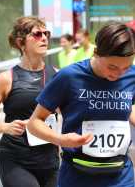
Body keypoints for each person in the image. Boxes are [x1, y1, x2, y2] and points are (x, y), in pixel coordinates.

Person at [27, 22, 135, 187]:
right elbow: (34, 122)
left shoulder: (132, 77)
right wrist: (61, 139)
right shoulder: (69, 77)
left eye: (126, 67)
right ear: (96, 52)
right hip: (77, 176)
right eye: (112, 66)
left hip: (121, 177)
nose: (119, 73)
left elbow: (128, 107)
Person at [0, 16, 59, 187]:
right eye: (37, 34)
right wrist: (5, 127)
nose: (44, 38)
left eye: (46, 33)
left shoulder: (58, 75)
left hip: (49, 160)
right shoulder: (6, 79)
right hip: (16, 160)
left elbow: (69, 114)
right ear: (21, 43)